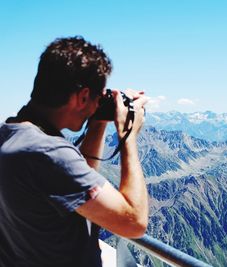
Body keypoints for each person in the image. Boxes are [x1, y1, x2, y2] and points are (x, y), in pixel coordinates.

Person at [0, 36, 149, 267]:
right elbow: (134, 223)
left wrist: (98, 120)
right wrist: (128, 134)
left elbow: (75, 183)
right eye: (96, 99)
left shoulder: (11, 135)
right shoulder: (47, 153)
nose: (96, 105)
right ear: (82, 97)